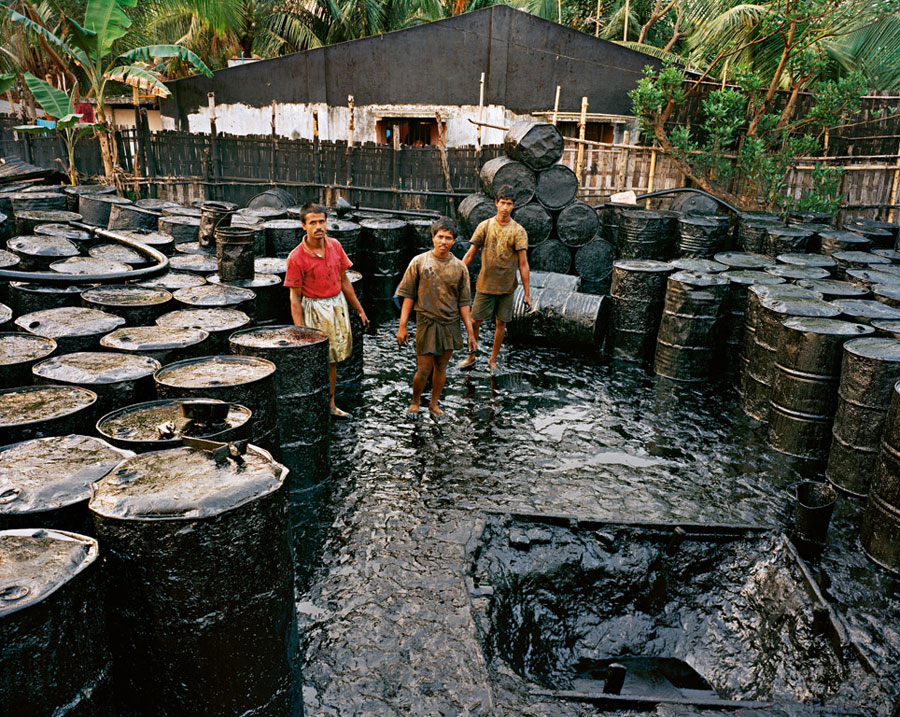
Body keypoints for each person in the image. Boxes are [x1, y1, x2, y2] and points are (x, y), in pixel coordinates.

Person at [285, 203, 368, 418]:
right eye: (313, 222)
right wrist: (300, 329)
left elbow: (344, 281)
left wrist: (359, 309)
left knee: (333, 358)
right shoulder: (296, 257)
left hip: (336, 304)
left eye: (322, 221)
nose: (318, 226)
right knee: (313, 358)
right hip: (314, 307)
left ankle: (330, 404)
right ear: (304, 225)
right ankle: (310, 405)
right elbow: (294, 296)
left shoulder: (335, 246)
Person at [396, 217, 476, 416]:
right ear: (433, 238)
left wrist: (470, 333)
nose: (443, 242)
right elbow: (408, 296)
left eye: (448, 238)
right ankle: (415, 401)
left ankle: (434, 403)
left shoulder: (460, 268)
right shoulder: (420, 262)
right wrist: (402, 326)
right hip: (426, 321)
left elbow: (464, 303)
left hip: (450, 323)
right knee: (423, 369)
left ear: (454, 241)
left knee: (441, 367)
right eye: (440, 237)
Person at [459, 185, 531, 372]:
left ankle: (493, 359)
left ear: (513, 206)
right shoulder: (485, 226)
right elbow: (470, 254)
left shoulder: (518, 231)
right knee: (475, 322)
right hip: (485, 285)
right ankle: (471, 355)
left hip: (507, 287)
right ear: (496, 203)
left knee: (501, 323)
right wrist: (456, 273)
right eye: (502, 203)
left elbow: (523, 264)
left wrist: (527, 293)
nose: (505, 207)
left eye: (509, 204)